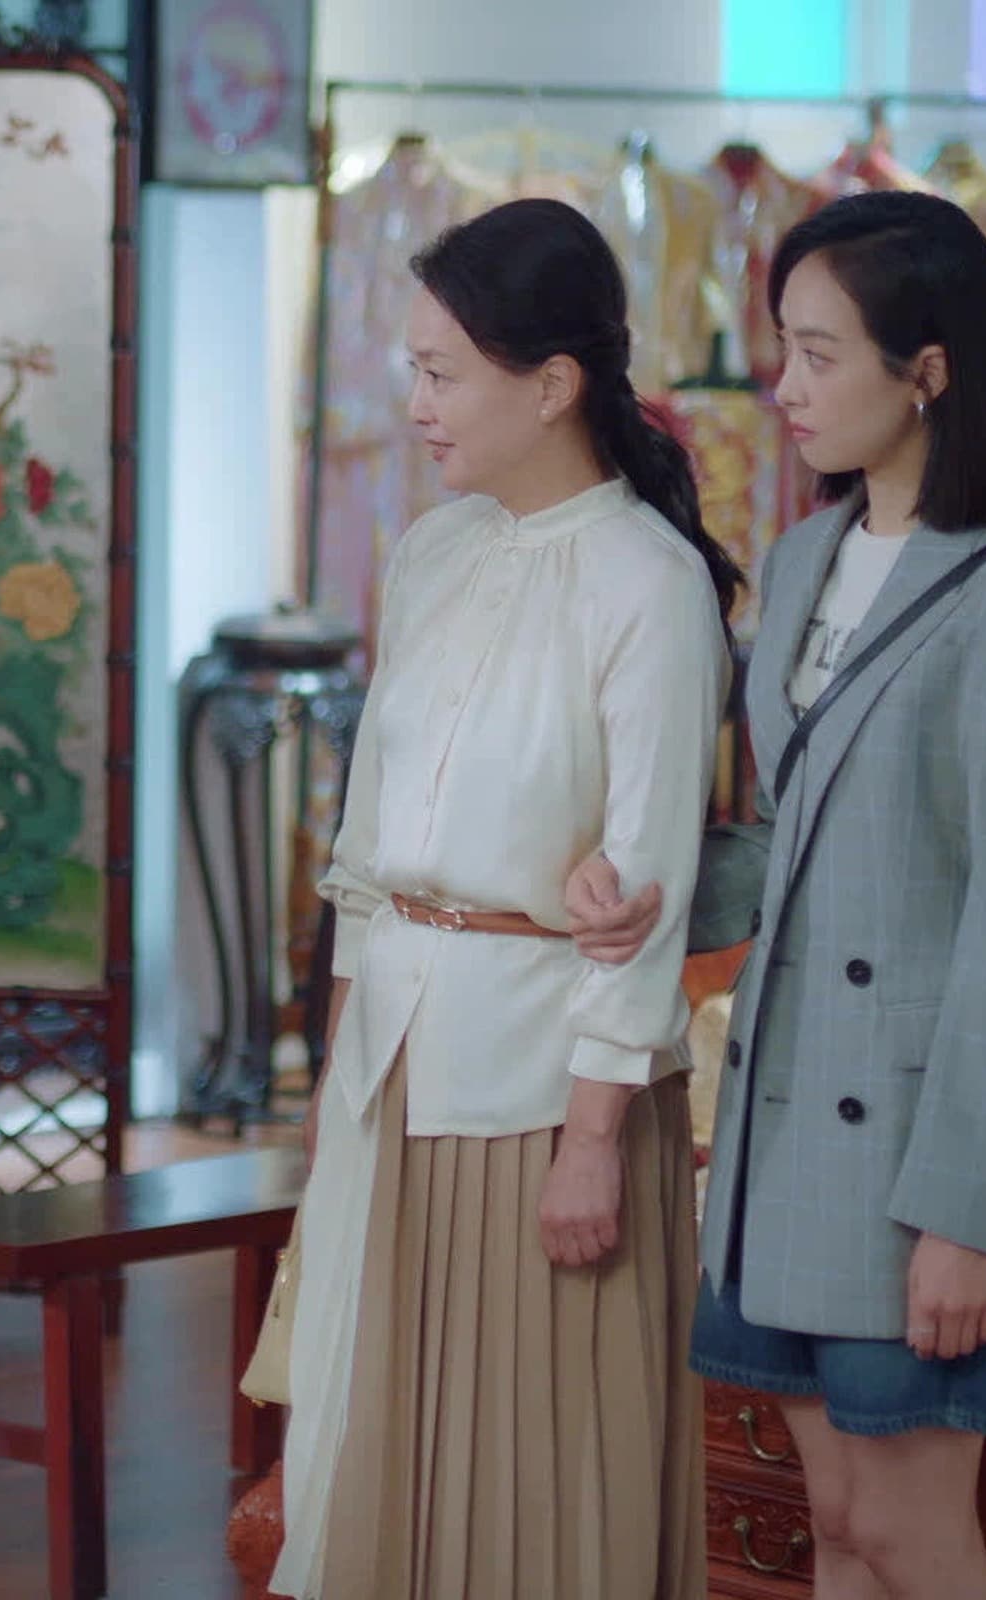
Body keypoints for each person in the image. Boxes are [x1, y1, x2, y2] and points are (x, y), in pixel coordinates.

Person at [566, 190, 986, 1600]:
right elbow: (800, 838)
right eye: (783, 349)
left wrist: (968, 1217)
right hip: (782, 1121)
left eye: (817, 355)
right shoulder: (803, 560)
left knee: (914, 1532)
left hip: (919, 1151)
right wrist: (653, 890)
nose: (785, 389)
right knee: (842, 1523)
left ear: (927, 372)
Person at [271, 197, 735, 1600]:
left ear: (551, 385)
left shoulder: (650, 584)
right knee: (375, 1450)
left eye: (440, 373)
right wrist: (335, 1072)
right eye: (412, 371)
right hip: (394, 1068)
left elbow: (647, 890)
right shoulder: (434, 552)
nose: (414, 406)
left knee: (531, 1476)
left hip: (543, 1094)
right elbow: (363, 856)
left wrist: (594, 1140)